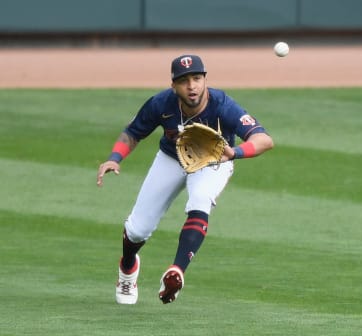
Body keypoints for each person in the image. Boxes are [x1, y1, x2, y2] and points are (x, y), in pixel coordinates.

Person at [96, 54, 274, 304]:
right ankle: (127, 267)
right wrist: (115, 158)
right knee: (138, 229)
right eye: (184, 81)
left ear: (205, 80)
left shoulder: (223, 105)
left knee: (200, 200)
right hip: (171, 159)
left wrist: (235, 153)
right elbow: (133, 132)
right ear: (174, 86)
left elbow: (264, 139)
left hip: (214, 160)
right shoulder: (161, 103)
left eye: (197, 78)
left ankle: (177, 270)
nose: (191, 86)